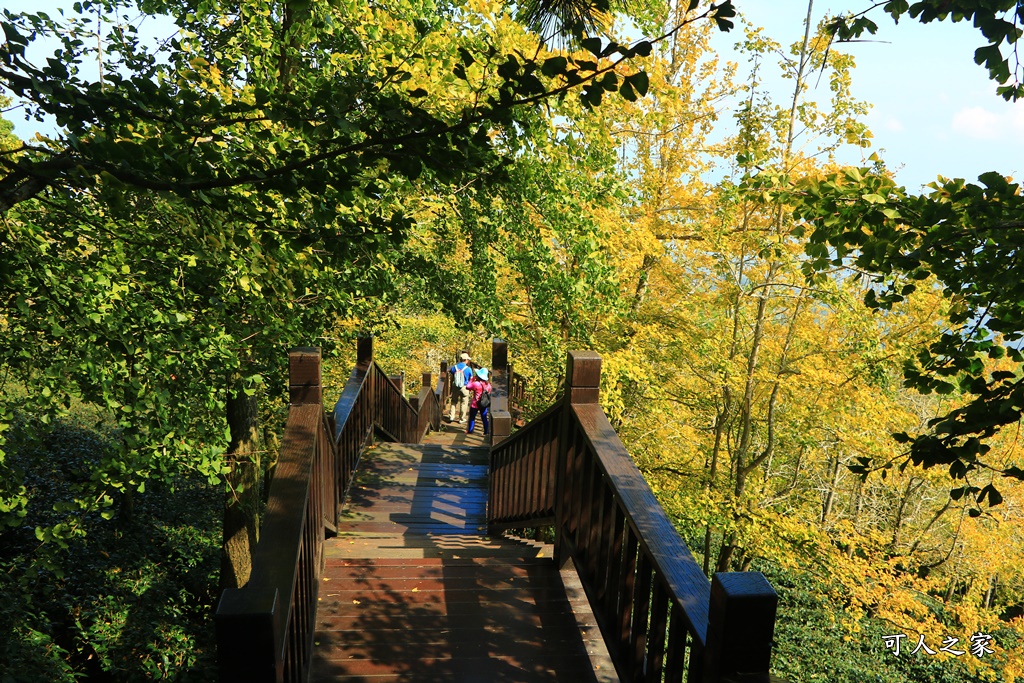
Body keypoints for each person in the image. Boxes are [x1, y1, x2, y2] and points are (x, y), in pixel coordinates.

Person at [448, 352, 473, 424]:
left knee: (453, 401)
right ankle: (461, 418)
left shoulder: (454, 367)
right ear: (466, 360)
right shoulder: (468, 369)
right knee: (464, 403)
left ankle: (451, 416)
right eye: (467, 359)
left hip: (455, 386)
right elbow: (471, 379)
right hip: (464, 387)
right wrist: (471, 388)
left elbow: (452, 375)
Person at [466, 367, 491, 435]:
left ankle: (470, 431)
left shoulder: (476, 384)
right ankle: (486, 432)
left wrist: (471, 379)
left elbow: (467, 387)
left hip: (475, 403)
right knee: (484, 418)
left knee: (472, 417)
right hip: (484, 403)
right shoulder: (488, 385)